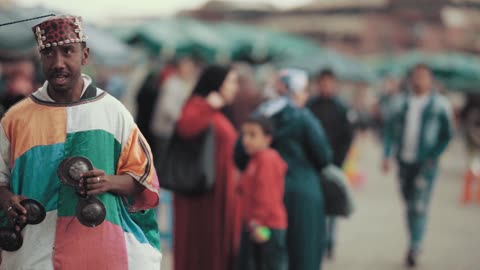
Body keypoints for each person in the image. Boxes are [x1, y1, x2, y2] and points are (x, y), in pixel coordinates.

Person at [0, 15, 161, 269]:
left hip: (99, 252)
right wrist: (7, 199)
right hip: (35, 254)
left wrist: (108, 181)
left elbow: (145, 179)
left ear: (84, 56)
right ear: (40, 58)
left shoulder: (113, 112)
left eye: (67, 52)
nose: (58, 63)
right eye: (49, 54)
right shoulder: (16, 118)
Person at [235, 68, 333, 270]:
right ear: (296, 90)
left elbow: (239, 155)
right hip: (303, 196)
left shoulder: (261, 115)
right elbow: (324, 157)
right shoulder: (305, 118)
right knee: (304, 256)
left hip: (263, 202)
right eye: (304, 90)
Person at [382, 63, 453, 267]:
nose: (419, 80)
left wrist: (434, 155)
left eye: (423, 76)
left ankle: (415, 245)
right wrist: (387, 155)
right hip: (404, 162)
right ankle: (414, 239)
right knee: (408, 203)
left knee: (419, 206)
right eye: (416, 76)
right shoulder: (400, 103)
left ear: (430, 80)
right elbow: (389, 130)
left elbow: (446, 135)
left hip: (426, 164)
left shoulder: (440, 105)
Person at [173, 65, 241, 270]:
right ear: (217, 84)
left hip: (218, 191)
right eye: (232, 82)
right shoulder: (198, 105)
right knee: (202, 247)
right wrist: (208, 107)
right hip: (203, 194)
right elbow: (185, 127)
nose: (235, 88)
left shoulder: (217, 110)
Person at [307, 69, 354, 259]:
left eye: (329, 83)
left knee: (332, 204)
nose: (325, 86)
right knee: (315, 205)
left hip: (333, 164)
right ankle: (317, 239)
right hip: (312, 164)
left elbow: (347, 136)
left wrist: (338, 161)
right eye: (323, 82)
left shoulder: (341, 108)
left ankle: (329, 242)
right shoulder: (310, 106)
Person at [236, 115, 288, 270]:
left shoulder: (267, 159)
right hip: (257, 225)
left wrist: (257, 223)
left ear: (267, 139)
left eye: (253, 135)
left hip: (267, 227)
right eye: (244, 134)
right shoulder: (255, 159)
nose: (246, 140)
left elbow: (266, 196)